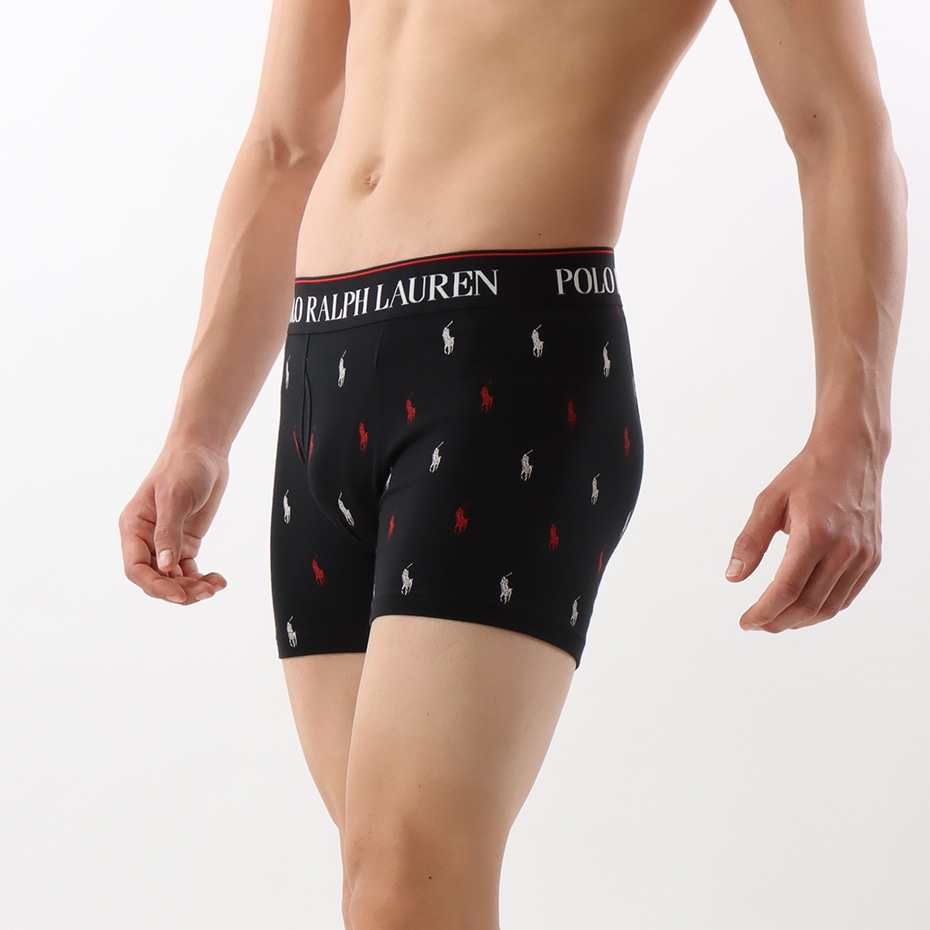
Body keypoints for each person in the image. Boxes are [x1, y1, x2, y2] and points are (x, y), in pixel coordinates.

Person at [119, 0, 906, 927]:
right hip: (323, 368)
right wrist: (199, 428)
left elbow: (838, 125)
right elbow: (286, 144)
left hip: (509, 359)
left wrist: (856, 436)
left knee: (403, 873)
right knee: (391, 889)